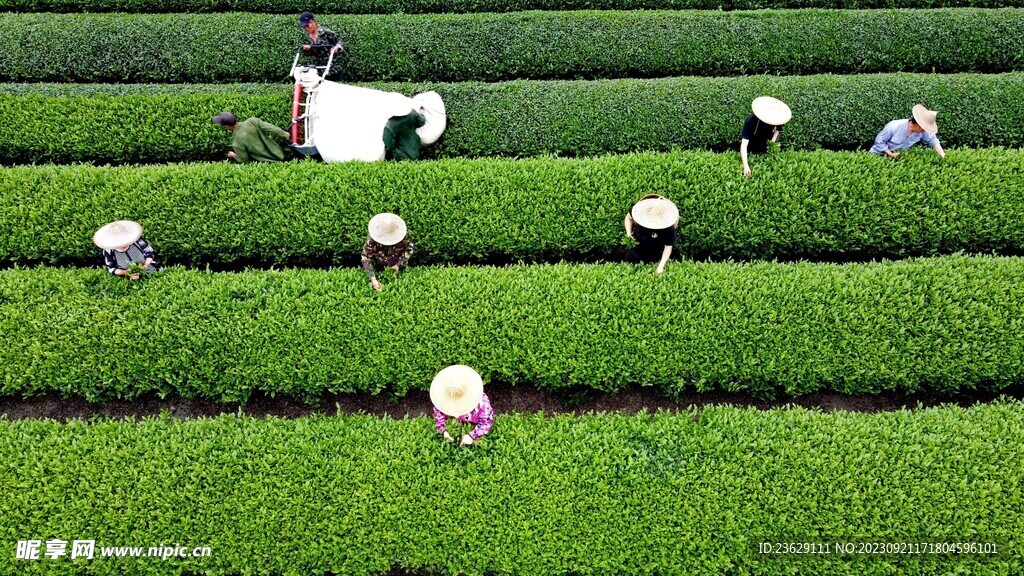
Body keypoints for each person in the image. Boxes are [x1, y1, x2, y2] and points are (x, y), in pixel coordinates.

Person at [431, 365, 494, 446]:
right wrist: (443, 431)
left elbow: (486, 422)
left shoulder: (482, 403)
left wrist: (472, 436)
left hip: (473, 421)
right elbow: (439, 412)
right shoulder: (442, 399)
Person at [624, 194, 679, 276]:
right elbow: (628, 218)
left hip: (655, 257)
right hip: (634, 253)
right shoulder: (638, 211)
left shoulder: (668, 226)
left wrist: (661, 266)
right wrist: (629, 234)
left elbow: (668, 247)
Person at [870, 104, 946, 160]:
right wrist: (891, 154)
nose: (925, 131)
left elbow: (932, 140)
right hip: (878, 155)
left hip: (897, 158)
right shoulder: (893, 127)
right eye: (925, 128)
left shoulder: (922, 131)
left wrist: (943, 155)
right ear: (918, 125)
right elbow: (879, 141)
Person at [211, 112, 292, 164]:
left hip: (269, 163)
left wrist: (233, 155)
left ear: (227, 126)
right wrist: (284, 134)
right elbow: (271, 128)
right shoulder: (252, 121)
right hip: (279, 152)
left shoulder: (237, 143)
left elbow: (244, 161)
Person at [740, 96, 792, 177]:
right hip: (751, 146)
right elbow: (744, 145)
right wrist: (746, 166)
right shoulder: (750, 120)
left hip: (765, 145)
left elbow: (778, 129)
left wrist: (772, 142)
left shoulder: (777, 118)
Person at [361, 213, 414, 292]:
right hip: (377, 267)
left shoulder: (403, 236)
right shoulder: (372, 240)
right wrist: (373, 279)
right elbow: (366, 258)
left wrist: (398, 265)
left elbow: (409, 249)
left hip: (399, 267)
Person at [92, 220, 158, 280]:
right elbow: (111, 268)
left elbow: (150, 253)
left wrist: (145, 266)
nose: (123, 245)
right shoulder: (109, 251)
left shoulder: (137, 241)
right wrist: (127, 272)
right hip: (127, 277)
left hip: (149, 269)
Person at [299, 11, 345, 79]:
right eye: (304, 27)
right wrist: (307, 50)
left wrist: (337, 47)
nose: (306, 28)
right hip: (319, 71)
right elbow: (309, 54)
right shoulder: (307, 38)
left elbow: (340, 40)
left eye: (307, 26)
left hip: (334, 69)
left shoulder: (326, 32)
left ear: (313, 22)